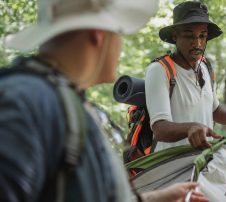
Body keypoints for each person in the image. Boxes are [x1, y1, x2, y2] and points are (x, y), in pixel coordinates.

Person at [0, 0, 209, 201]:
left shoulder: (61, 103)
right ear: (99, 35)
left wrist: (153, 199)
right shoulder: (28, 101)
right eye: (118, 33)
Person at [145, 1, 226, 152]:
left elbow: (214, 109)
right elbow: (160, 129)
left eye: (202, 36)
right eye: (189, 35)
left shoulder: (206, 67)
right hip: (170, 166)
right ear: (175, 36)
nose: (197, 43)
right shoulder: (159, 70)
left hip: (205, 161)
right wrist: (191, 127)